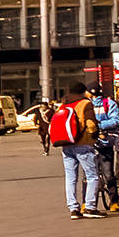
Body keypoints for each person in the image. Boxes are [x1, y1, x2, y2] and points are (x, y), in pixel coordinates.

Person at [48, 91, 101, 219]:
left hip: (66, 144)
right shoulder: (85, 104)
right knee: (92, 176)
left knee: (71, 177)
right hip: (82, 144)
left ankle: (73, 208)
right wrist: (95, 135)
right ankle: (90, 206)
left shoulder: (64, 105)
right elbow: (91, 125)